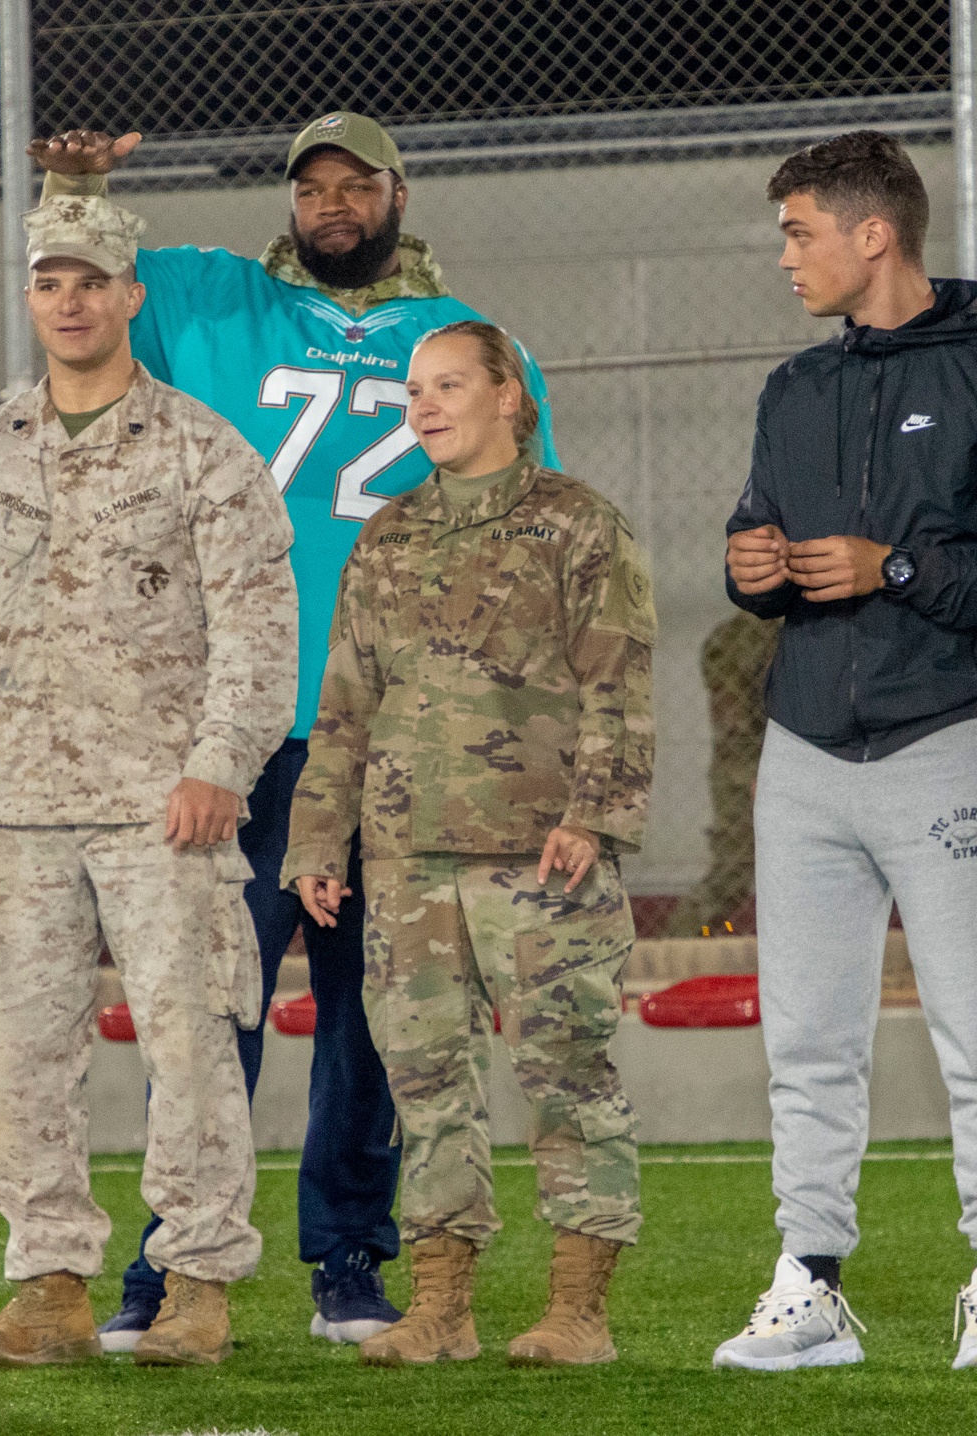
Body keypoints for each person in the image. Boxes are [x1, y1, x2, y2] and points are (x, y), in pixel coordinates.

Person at [28, 110, 559, 1350]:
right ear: (287, 201)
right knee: (206, 1001)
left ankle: (349, 1256)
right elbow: (77, 290)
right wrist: (71, 182)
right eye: (309, 186)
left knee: (378, 1008)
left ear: (397, 192)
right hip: (241, 721)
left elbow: (521, 542)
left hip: (400, 726)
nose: (330, 204)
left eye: (353, 184)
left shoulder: (474, 344)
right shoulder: (215, 298)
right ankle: (174, 1258)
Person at [0, 196, 298, 1368]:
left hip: (164, 808)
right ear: (31, 297)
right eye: (50, 282)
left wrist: (221, 765)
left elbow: (259, 627)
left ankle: (198, 1283)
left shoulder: (203, 450)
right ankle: (49, 1285)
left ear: (129, 295)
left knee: (190, 1043)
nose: (70, 302)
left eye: (92, 282)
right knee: (13, 1052)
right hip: (11, 810)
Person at [713, 130, 977, 1373]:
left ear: (874, 235)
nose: (782, 258)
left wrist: (900, 567)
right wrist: (747, 568)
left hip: (944, 745)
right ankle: (806, 1283)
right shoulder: (790, 389)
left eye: (797, 231)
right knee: (805, 1035)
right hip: (803, 749)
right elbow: (751, 526)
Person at [285, 321, 656, 1367]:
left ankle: (577, 1309)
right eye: (414, 390)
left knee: (563, 1070)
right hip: (404, 862)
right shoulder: (387, 533)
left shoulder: (578, 523)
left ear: (510, 395)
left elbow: (615, 683)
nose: (424, 405)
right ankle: (440, 1306)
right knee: (423, 1081)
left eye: (448, 384)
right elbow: (345, 701)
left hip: (542, 855)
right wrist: (319, 837)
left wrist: (593, 813)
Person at [661, 613, 781, 939]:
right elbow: (735, 722)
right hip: (748, 770)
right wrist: (760, 773)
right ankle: (674, 951)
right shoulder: (739, 639)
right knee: (733, 872)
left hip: (784, 768)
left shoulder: (800, 628)